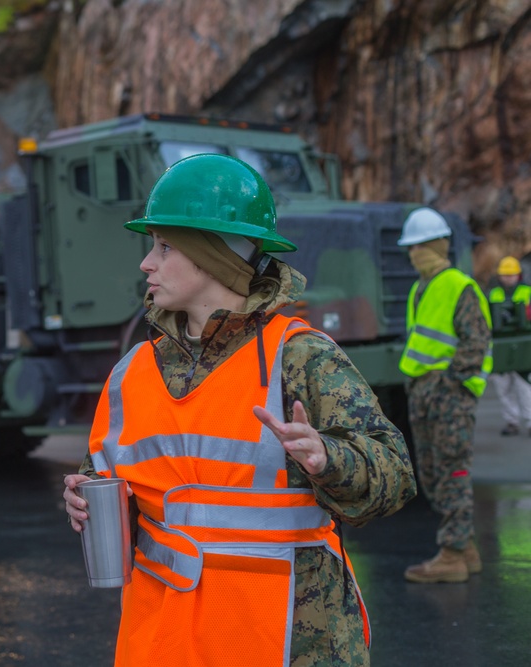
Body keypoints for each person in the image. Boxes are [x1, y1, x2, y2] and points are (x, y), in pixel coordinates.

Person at [62, 154, 416, 666]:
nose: (147, 263)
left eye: (164, 246)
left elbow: (394, 473)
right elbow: (110, 476)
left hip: (288, 637)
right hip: (166, 638)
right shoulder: (131, 371)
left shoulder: (298, 355)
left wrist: (326, 459)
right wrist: (81, 494)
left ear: (215, 257)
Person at [396, 206, 493, 584]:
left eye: (420, 246)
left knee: (452, 470)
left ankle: (452, 554)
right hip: (424, 394)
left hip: (447, 396)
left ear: (439, 245)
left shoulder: (458, 286)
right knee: (434, 474)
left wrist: (450, 384)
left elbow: (477, 342)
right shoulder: (420, 289)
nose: (414, 254)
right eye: (411, 248)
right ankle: (465, 548)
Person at [488, 255, 531, 436]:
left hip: (523, 344)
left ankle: (529, 422)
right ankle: (511, 422)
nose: (508, 278)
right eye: (505, 275)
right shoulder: (493, 294)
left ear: (518, 275)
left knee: (525, 386)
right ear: (500, 276)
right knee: (503, 386)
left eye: (511, 274)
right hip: (499, 345)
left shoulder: (527, 291)